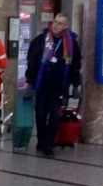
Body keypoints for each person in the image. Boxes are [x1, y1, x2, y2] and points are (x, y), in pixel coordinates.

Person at [25, 12, 82, 157]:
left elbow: (75, 65)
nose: (56, 25)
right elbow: (32, 61)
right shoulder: (41, 40)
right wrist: (29, 82)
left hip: (59, 84)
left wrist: (76, 85)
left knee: (55, 114)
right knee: (40, 113)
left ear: (66, 26)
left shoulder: (71, 43)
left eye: (60, 23)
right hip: (42, 83)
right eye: (55, 21)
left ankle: (48, 145)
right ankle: (42, 140)